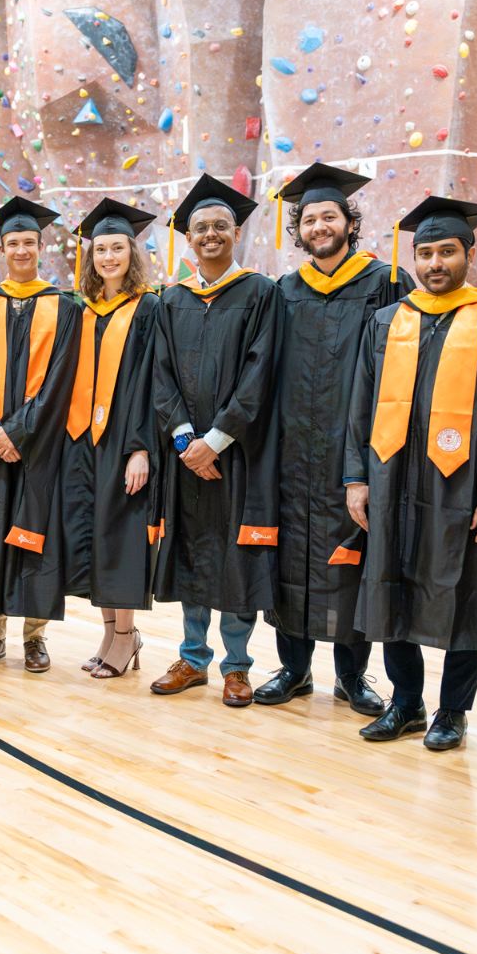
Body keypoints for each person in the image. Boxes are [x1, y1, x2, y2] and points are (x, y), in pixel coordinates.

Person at [346, 196, 477, 751]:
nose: (433, 263)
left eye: (445, 251)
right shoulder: (386, 321)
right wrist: (356, 477)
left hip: (465, 485)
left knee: (465, 594)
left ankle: (453, 711)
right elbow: (359, 404)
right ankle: (406, 703)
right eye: (424, 253)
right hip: (390, 479)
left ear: (468, 255)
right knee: (389, 586)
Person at [261, 161, 409, 717]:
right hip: (293, 448)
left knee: (350, 555)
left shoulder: (386, 283)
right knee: (290, 557)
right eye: (311, 218)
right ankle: (294, 670)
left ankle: (352, 675)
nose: (321, 226)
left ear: (350, 222)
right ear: (298, 229)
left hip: (357, 448)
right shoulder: (284, 291)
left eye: (331, 216)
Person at [147, 176, 283, 704]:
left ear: (235, 232)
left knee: (234, 554)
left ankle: (237, 664)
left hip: (237, 454)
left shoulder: (260, 294)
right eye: (200, 227)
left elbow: (260, 373)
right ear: (188, 237)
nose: (210, 234)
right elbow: (159, 374)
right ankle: (191, 658)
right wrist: (185, 441)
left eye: (220, 226)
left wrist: (217, 440)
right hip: (186, 455)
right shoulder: (171, 299)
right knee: (191, 551)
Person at [0, 196, 80, 672]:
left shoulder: (63, 307)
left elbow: (60, 381)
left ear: (40, 247)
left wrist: (20, 432)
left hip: (37, 448)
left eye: (29, 242)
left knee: (32, 534)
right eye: (13, 243)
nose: (22, 250)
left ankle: (34, 635)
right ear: (1, 249)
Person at [60, 199, 161, 680]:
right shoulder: (81, 310)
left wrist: (140, 447)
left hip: (123, 439)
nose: (107, 257)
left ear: (131, 252)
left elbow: (151, 380)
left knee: (120, 537)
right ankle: (108, 632)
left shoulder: (148, 308)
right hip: (82, 439)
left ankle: (126, 637)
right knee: (92, 535)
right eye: (99, 249)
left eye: (116, 248)